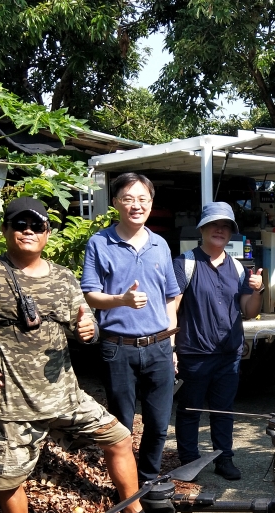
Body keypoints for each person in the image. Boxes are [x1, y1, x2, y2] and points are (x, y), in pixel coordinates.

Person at [0, 198, 176, 513]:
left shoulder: (62, 277)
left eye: (36, 226)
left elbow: (85, 325)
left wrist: (88, 331)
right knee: (9, 476)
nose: (28, 231)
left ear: (47, 233)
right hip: (10, 402)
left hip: (65, 396)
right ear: (5, 230)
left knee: (119, 437)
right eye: (19, 224)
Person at [81, 173, 180, 486]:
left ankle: (148, 484)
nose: (136, 205)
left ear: (151, 203)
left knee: (159, 425)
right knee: (121, 427)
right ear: (116, 203)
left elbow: (171, 296)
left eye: (143, 199)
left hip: (159, 348)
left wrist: (171, 344)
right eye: (128, 198)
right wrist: (120, 300)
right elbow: (90, 294)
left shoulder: (160, 245)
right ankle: (125, 492)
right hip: (118, 347)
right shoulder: (100, 243)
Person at [172, 202, 264, 480]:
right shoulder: (185, 263)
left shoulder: (237, 267)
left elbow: (249, 310)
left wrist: (258, 291)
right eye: (214, 224)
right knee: (190, 410)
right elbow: (172, 307)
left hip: (229, 353)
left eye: (225, 226)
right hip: (194, 352)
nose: (219, 230)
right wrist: (171, 347)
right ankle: (189, 462)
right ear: (202, 228)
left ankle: (224, 459)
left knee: (223, 410)